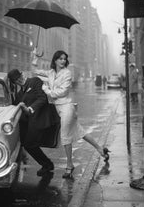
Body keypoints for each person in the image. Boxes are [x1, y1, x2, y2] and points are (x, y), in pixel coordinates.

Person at [31, 50, 110, 179]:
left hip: (67, 107)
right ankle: (101, 150)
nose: (63, 61)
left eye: (64, 59)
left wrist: (46, 90)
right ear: (55, 60)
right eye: (60, 58)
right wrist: (35, 57)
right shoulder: (51, 73)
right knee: (81, 132)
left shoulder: (67, 73)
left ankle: (69, 165)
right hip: (59, 108)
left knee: (65, 136)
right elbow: (34, 71)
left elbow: (61, 92)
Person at [7, 69, 60, 176]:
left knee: (29, 144)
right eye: (16, 81)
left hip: (42, 119)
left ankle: (47, 164)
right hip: (31, 123)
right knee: (28, 144)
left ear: (22, 74)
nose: (19, 81)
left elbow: (42, 98)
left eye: (19, 78)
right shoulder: (19, 94)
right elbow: (14, 106)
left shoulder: (35, 81)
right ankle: (47, 164)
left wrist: (30, 108)